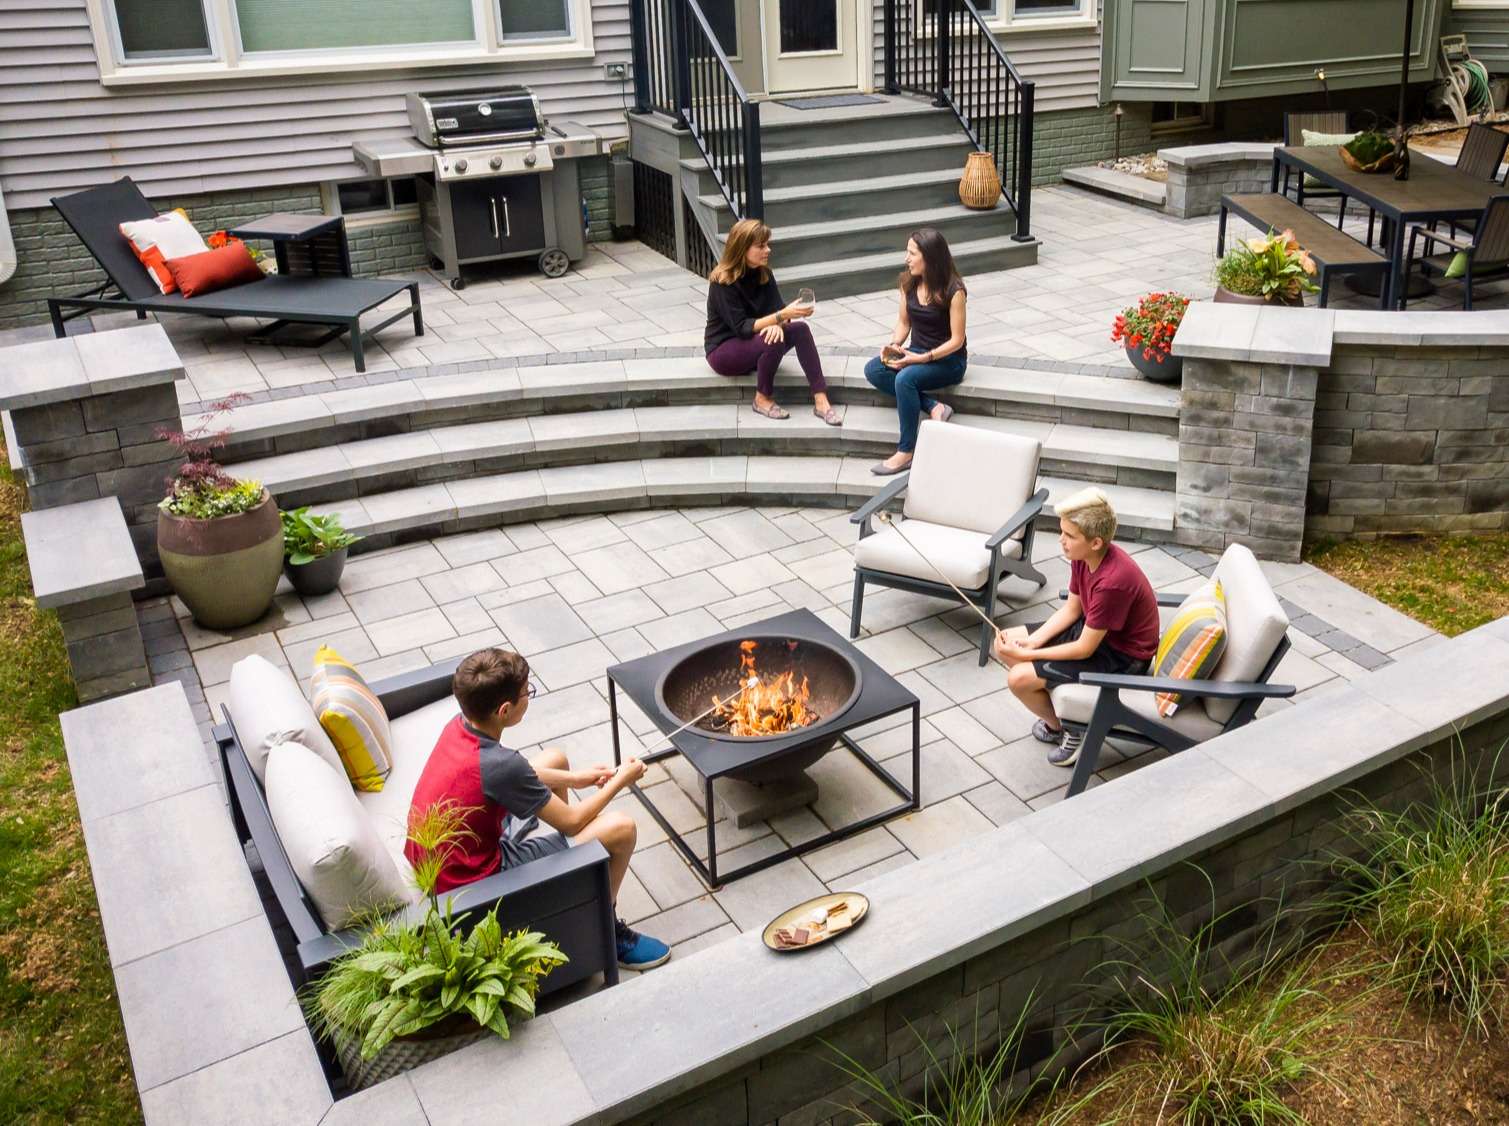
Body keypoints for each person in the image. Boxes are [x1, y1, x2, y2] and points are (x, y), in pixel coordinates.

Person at [404, 647, 671, 971]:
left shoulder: (459, 725)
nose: (528, 696)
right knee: (621, 828)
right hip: (471, 883)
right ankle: (605, 928)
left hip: (451, 855)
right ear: (504, 709)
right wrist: (623, 779)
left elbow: (504, 774)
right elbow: (572, 821)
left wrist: (574, 778)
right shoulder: (500, 765)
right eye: (525, 692)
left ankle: (571, 875)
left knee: (555, 759)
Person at [992, 487, 1160, 768]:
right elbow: (1072, 609)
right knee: (1008, 642)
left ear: (1095, 542)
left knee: (1018, 678)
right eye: (1062, 532)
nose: (1061, 541)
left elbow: (1084, 648)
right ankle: (1063, 719)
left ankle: (1070, 727)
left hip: (1121, 657)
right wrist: (1033, 644)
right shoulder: (1082, 558)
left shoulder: (1112, 582)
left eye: (1069, 536)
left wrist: (1030, 657)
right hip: (1095, 632)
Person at [704, 217, 840, 425]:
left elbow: (777, 310)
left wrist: (787, 317)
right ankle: (762, 398)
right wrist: (779, 318)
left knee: (800, 329)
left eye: (767, 244)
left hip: (755, 340)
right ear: (742, 249)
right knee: (772, 338)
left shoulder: (764, 274)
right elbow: (742, 328)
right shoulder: (723, 282)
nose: (768, 250)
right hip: (723, 350)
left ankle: (821, 399)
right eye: (761, 246)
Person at [864, 228, 968, 475]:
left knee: (906, 379)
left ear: (930, 257)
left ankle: (906, 450)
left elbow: (957, 340)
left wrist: (923, 358)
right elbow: (904, 322)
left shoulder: (955, 291)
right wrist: (894, 345)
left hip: (948, 360)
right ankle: (934, 406)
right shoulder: (908, 283)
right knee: (874, 369)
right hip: (917, 352)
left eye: (912, 253)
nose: (906, 259)